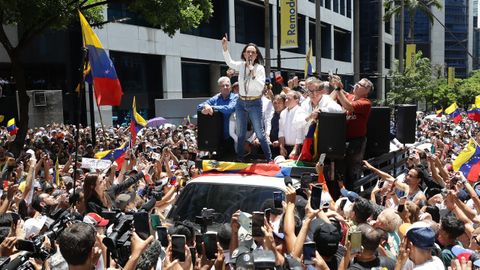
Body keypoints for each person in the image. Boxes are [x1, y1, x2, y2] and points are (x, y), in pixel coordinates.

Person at [221, 35, 272, 162]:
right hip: (241, 102)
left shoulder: (259, 68)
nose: (250, 54)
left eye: (253, 52)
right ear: (244, 54)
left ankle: (269, 159)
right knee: (241, 133)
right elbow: (230, 62)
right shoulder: (241, 65)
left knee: (260, 133)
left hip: (254, 102)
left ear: (256, 56)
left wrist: (252, 71)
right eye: (248, 52)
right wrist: (225, 48)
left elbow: (260, 86)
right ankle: (239, 159)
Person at [330, 76, 373, 190]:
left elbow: (348, 106)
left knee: (353, 171)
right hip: (342, 140)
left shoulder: (365, 102)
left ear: (367, 91)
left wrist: (338, 89)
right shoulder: (349, 96)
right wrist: (336, 85)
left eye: (361, 84)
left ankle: (354, 196)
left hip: (356, 142)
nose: (357, 84)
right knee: (341, 169)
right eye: (357, 83)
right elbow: (335, 95)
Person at [197, 76, 238, 158]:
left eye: (227, 85)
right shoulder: (216, 98)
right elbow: (199, 106)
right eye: (223, 86)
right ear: (220, 88)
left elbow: (230, 108)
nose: (225, 87)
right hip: (217, 138)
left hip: (232, 137)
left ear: (230, 87)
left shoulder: (235, 97)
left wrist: (212, 107)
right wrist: (206, 106)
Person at [278, 91, 306, 159]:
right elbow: (281, 132)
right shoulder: (283, 113)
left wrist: (295, 149)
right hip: (286, 148)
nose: (286, 100)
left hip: (298, 149)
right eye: (286, 98)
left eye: (289, 99)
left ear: (297, 100)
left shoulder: (301, 111)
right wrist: (281, 147)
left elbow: (300, 132)